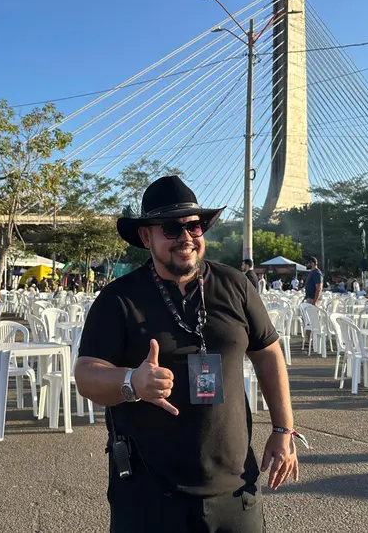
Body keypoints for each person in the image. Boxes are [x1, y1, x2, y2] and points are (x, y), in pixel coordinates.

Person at [75, 176, 299, 533]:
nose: (186, 238)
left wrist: (283, 429)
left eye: (193, 225)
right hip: (148, 492)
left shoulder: (236, 286)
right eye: (171, 228)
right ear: (146, 237)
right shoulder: (119, 299)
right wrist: (132, 381)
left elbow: (268, 352)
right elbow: (87, 372)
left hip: (235, 486)